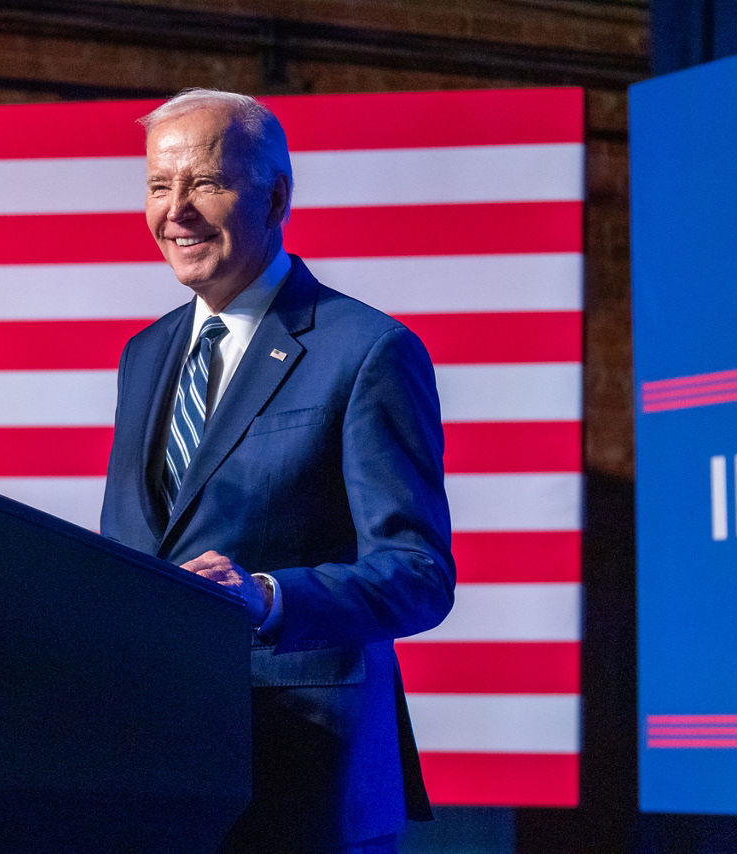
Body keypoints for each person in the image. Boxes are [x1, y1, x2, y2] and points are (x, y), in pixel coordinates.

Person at [99, 88, 456, 854]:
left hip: (303, 780)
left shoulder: (367, 351)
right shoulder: (145, 355)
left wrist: (263, 597)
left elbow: (418, 573)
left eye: (205, 183)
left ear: (277, 196)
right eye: (160, 187)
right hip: (154, 770)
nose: (177, 212)